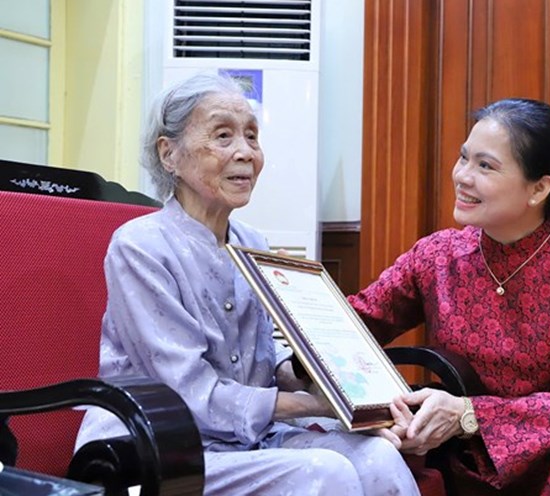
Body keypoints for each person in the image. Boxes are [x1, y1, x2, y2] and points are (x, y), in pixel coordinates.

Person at [75, 73, 420, 496]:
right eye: (223, 135)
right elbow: (187, 389)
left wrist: (325, 377)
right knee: (324, 471)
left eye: (252, 137)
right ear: (169, 154)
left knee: (378, 456)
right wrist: (317, 405)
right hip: (159, 446)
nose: (245, 153)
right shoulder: (140, 247)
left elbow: (265, 350)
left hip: (247, 437)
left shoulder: (252, 244)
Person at [348, 98, 550, 495]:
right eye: (464, 158)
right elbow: (352, 326)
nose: (463, 177)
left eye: (485, 166)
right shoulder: (437, 255)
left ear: (539, 188)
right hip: (460, 461)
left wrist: (470, 414)